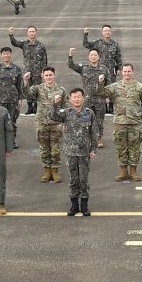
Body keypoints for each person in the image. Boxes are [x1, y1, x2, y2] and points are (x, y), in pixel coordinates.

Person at [96, 64, 142, 182]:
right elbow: (101, 93)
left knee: (134, 148)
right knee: (121, 147)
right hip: (120, 122)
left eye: (129, 71)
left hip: (134, 122)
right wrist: (100, 83)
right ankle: (123, 170)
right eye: (125, 71)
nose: (127, 73)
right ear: (121, 73)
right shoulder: (115, 86)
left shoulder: (140, 87)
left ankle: (134, 171)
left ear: (133, 72)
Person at [51, 88, 98, 216]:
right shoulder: (66, 113)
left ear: (83, 98)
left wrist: (93, 149)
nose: (76, 99)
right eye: (74, 97)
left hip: (84, 152)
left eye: (79, 97)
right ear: (70, 99)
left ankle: (84, 206)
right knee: (73, 179)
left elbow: (94, 132)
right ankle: (74, 205)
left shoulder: (89, 113)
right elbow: (53, 116)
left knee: (84, 179)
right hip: (70, 152)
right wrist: (55, 103)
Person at [25, 67, 67, 183]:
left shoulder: (61, 90)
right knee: (44, 149)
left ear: (54, 75)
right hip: (42, 123)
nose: (49, 77)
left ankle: (55, 170)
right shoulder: (38, 88)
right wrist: (26, 82)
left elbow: (65, 107)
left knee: (56, 149)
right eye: (46, 75)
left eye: (50, 75)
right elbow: (27, 94)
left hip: (56, 123)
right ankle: (47, 170)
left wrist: (64, 122)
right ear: (42, 76)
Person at [68, 47, 110, 148]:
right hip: (87, 99)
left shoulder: (104, 69)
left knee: (99, 120)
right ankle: (87, 138)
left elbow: (109, 83)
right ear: (88, 57)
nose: (93, 57)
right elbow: (71, 65)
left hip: (100, 99)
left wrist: (108, 96)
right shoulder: (84, 68)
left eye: (95, 55)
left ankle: (99, 138)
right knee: (86, 120)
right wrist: (70, 56)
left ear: (99, 57)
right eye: (91, 55)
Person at [10, 26, 49, 115]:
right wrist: (11, 34)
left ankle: (35, 106)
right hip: (27, 72)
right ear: (27, 33)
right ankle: (29, 107)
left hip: (37, 72)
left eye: (33, 31)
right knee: (27, 89)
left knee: (36, 89)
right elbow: (14, 43)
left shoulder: (41, 46)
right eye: (30, 31)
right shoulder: (24, 44)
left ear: (36, 33)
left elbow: (44, 59)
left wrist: (43, 71)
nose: (32, 33)